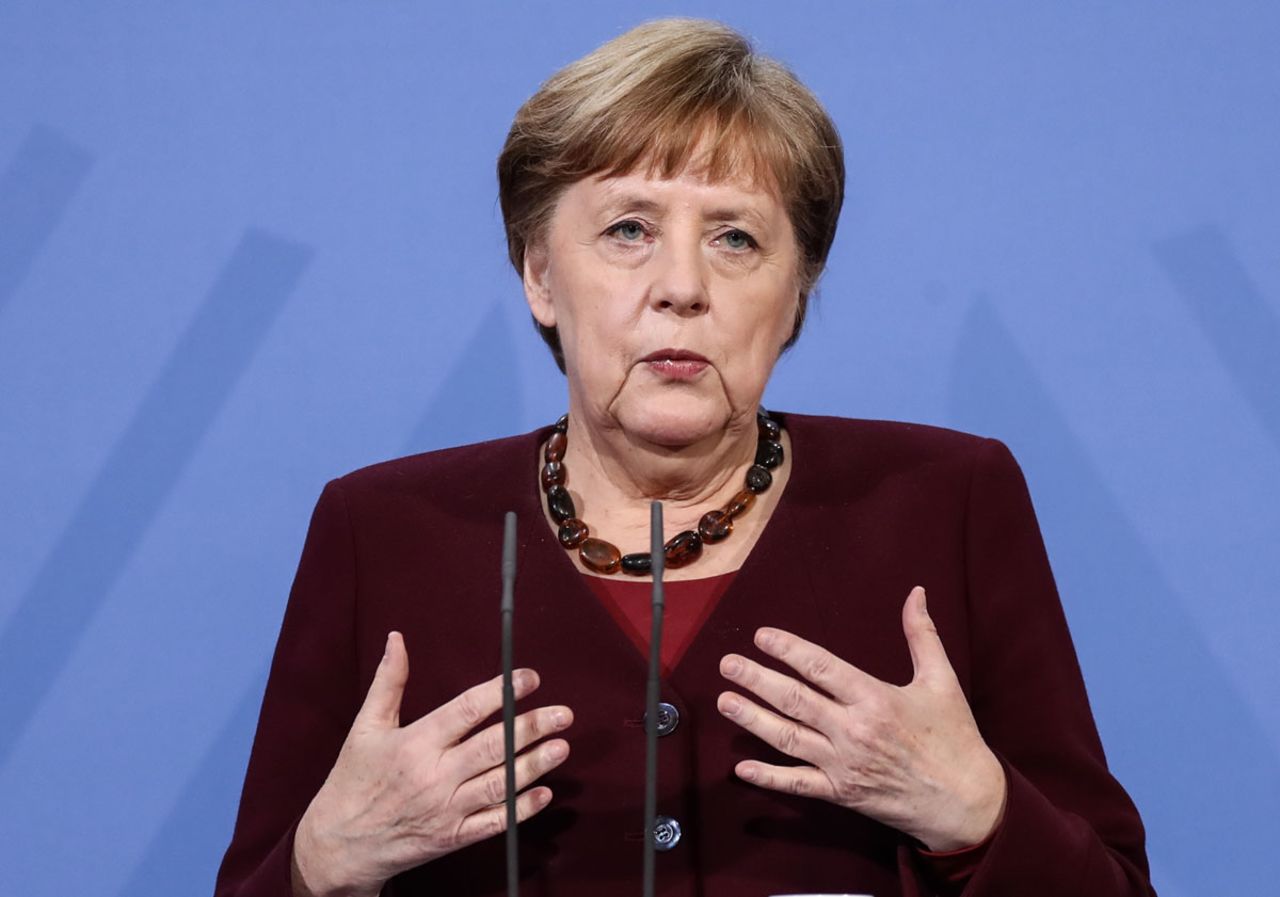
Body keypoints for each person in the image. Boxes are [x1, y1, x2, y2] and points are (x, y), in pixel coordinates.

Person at [215, 18, 1156, 897]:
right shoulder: (380, 533)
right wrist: (321, 863)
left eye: (735, 237)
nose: (681, 287)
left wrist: (980, 817)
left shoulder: (950, 503)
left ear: (795, 294)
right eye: (629, 229)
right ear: (540, 273)